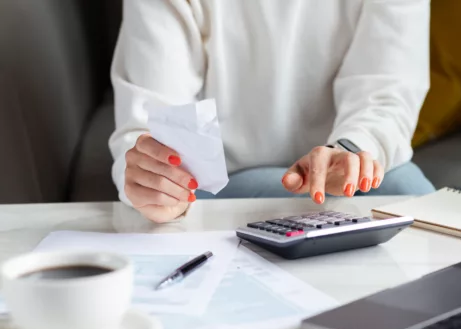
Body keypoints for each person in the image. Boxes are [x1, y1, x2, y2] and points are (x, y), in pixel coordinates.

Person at [109, 0, 435, 223]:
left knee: (408, 191)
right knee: (407, 190)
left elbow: (386, 91)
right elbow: (154, 116)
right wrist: (157, 182)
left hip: (345, 173)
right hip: (216, 188)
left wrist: (350, 153)